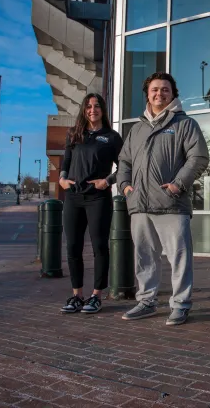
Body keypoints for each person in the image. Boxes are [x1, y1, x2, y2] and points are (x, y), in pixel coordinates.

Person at [117, 72, 209, 326]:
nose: (160, 93)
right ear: (147, 94)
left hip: (172, 203)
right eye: (155, 89)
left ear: (173, 94)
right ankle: (146, 301)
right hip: (140, 204)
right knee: (145, 256)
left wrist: (177, 185)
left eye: (165, 89)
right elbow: (124, 161)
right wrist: (125, 187)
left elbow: (199, 157)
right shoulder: (136, 129)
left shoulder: (185, 124)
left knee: (179, 256)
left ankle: (180, 304)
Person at [59, 93, 123, 314]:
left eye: (96, 106)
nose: (92, 110)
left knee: (99, 246)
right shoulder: (74, 134)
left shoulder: (111, 137)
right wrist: (61, 179)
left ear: (103, 110)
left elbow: (124, 166)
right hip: (73, 198)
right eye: (88, 106)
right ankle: (77, 295)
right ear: (83, 110)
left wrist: (107, 181)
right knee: (73, 247)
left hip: (98, 198)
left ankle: (96, 295)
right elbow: (65, 161)